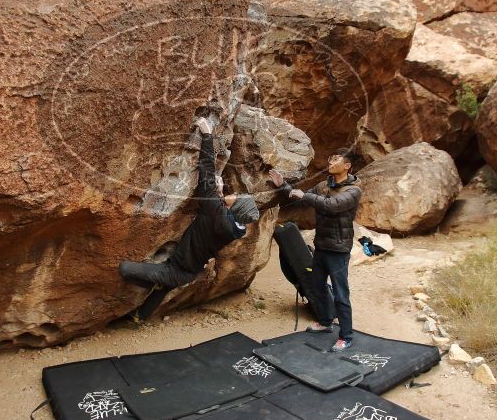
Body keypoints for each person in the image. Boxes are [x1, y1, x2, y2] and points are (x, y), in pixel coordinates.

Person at [119, 107, 260, 319]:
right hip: (188, 268)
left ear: (234, 208)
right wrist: (221, 194)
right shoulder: (234, 227)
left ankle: (154, 285)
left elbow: (206, 175)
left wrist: (207, 136)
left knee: (125, 269)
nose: (234, 194)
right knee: (162, 288)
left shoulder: (217, 211)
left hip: (177, 271)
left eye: (236, 197)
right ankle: (140, 317)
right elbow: (219, 211)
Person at [269, 149, 361, 352]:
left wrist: (304, 195)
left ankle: (346, 336)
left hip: (338, 250)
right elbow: (301, 198)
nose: (331, 162)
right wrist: (284, 186)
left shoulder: (353, 190)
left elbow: (331, 206)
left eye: (336, 159)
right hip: (321, 246)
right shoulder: (323, 185)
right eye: (330, 157)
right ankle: (326, 321)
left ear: (347, 166)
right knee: (316, 286)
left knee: (340, 294)